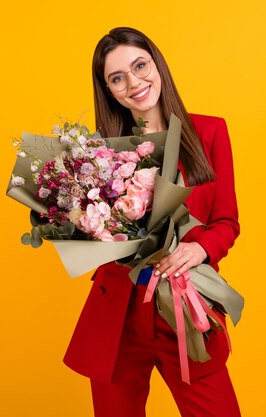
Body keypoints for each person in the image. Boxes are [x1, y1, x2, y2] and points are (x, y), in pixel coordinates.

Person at [63, 27, 241, 417]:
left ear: (157, 64)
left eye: (139, 65)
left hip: (185, 308)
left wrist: (199, 247)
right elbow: (92, 237)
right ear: (109, 91)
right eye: (117, 78)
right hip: (119, 319)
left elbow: (227, 221)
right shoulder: (98, 154)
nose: (134, 82)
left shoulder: (209, 132)